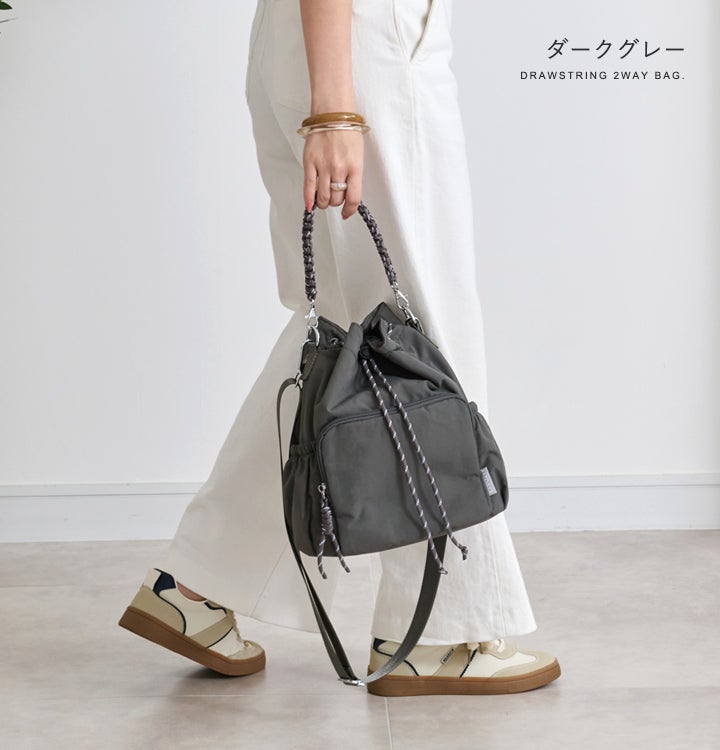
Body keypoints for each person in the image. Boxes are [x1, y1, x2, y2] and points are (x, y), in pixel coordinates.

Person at [118, 0, 561, 696]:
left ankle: (200, 585)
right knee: (419, 340)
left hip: (326, 45)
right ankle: (440, 634)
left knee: (346, 335)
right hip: (363, 47)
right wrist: (335, 111)